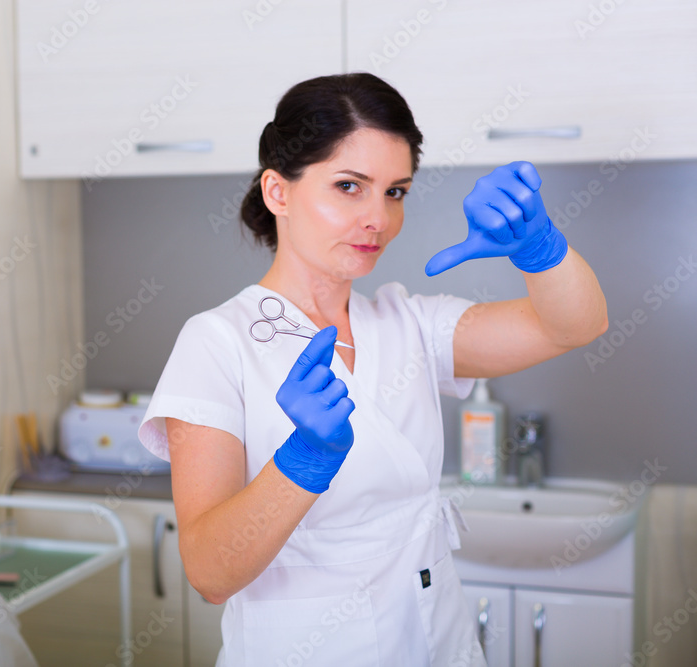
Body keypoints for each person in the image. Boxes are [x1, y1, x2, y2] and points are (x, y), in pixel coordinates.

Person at [137, 73, 607, 666]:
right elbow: (210, 573)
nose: (378, 218)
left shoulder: (408, 321)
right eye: (349, 186)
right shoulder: (218, 342)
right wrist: (304, 460)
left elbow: (573, 326)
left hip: (438, 644)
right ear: (278, 192)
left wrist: (539, 248)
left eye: (395, 192)